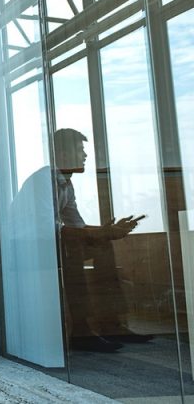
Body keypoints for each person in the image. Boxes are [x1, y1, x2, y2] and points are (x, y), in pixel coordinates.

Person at [21, 128, 151, 352]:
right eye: (80, 150)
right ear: (61, 152)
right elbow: (47, 230)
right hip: (24, 249)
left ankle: (111, 324)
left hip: (49, 243)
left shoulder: (65, 183)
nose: (85, 156)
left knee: (101, 244)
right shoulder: (42, 181)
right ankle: (81, 330)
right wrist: (100, 233)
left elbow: (76, 226)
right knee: (72, 246)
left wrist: (106, 232)